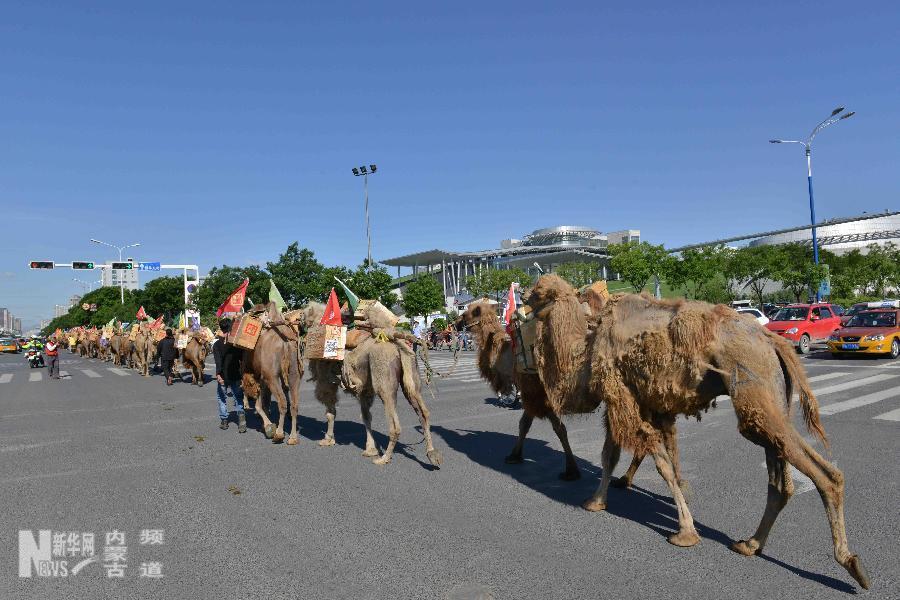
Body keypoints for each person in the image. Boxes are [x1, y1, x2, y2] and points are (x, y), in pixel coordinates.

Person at [212, 319, 246, 432]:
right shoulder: (236, 344)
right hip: (236, 375)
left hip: (223, 376)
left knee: (222, 398)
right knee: (238, 398)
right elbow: (242, 360)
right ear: (231, 328)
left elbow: (218, 362)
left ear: (221, 329)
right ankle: (242, 423)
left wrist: (218, 375)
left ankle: (224, 421)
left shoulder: (216, 345)